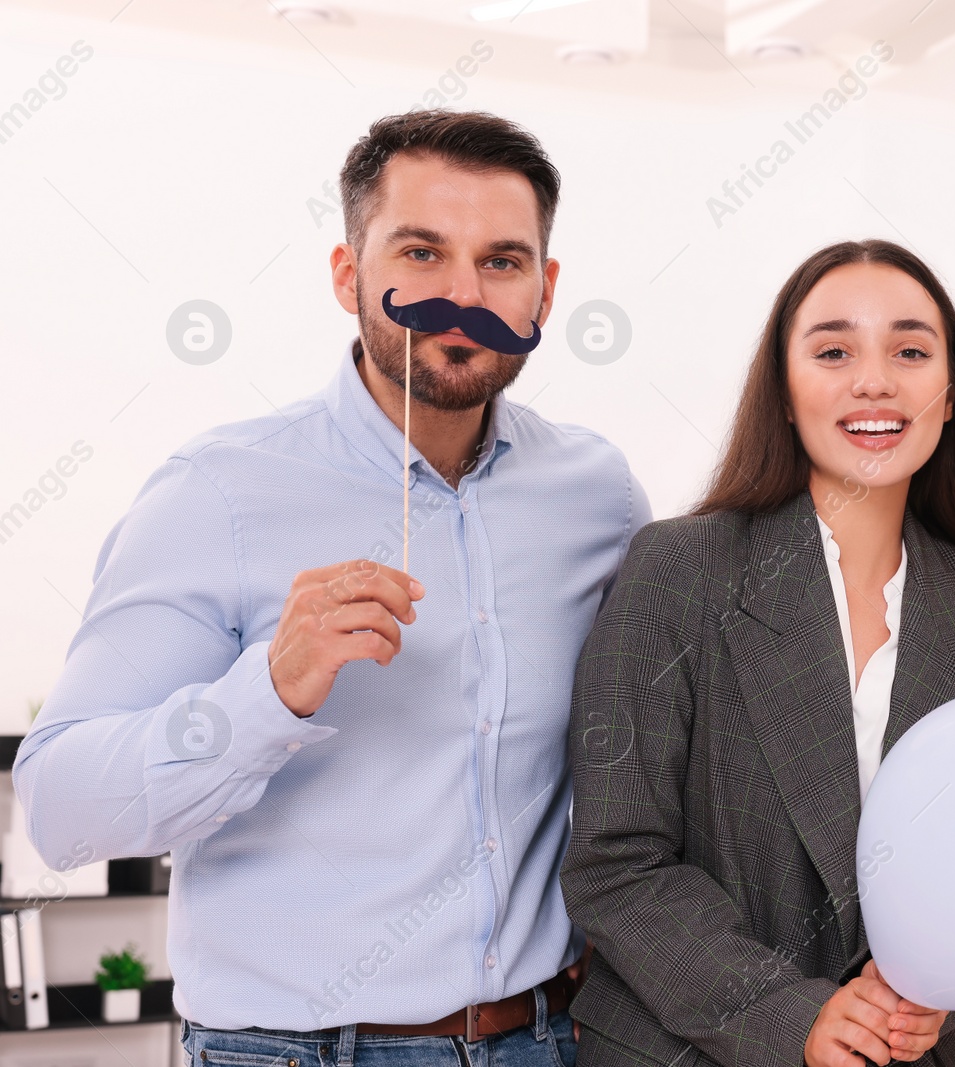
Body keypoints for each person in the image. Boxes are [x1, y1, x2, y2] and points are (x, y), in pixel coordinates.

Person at [14, 109, 647, 1067]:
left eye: (503, 262)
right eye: (422, 251)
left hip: (546, 1042)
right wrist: (265, 690)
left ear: (545, 291)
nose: (462, 295)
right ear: (350, 272)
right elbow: (60, 807)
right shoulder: (216, 493)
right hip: (293, 1052)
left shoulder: (598, 497)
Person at [559, 240, 955, 1067]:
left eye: (912, 351)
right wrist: (790, 1016)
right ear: (783, 390)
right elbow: (616, 860)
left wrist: (935, 989)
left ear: (950, 394)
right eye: (833, 351)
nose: (875, 381)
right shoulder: (678, 570)